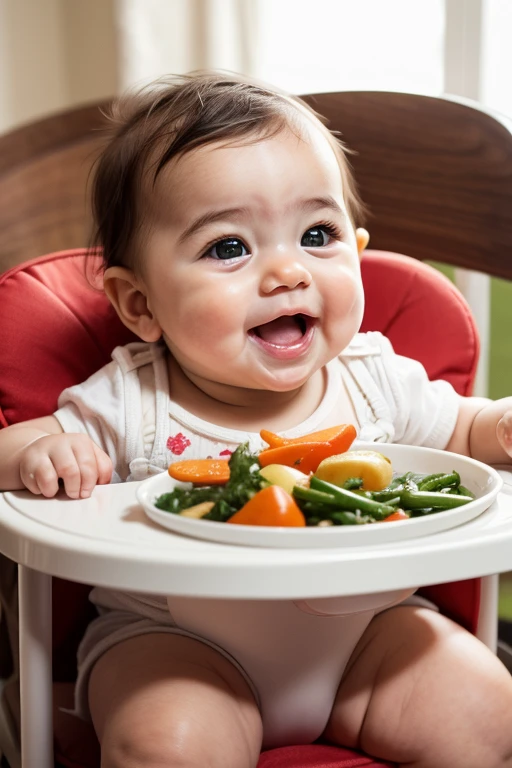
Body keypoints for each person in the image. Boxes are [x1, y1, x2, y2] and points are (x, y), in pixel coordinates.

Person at [1, 71, 512, 768]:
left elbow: (463, 431)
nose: (286, 273)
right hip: (177, 644)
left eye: (317, 234)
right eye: (229, 248)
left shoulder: (372, 380)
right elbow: (31, 443)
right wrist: (38, 452)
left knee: (491, 715)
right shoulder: (135, 401)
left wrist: (500, 425)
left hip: (367, 637)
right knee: (167, 746)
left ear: (358, 251)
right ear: (140, 304)